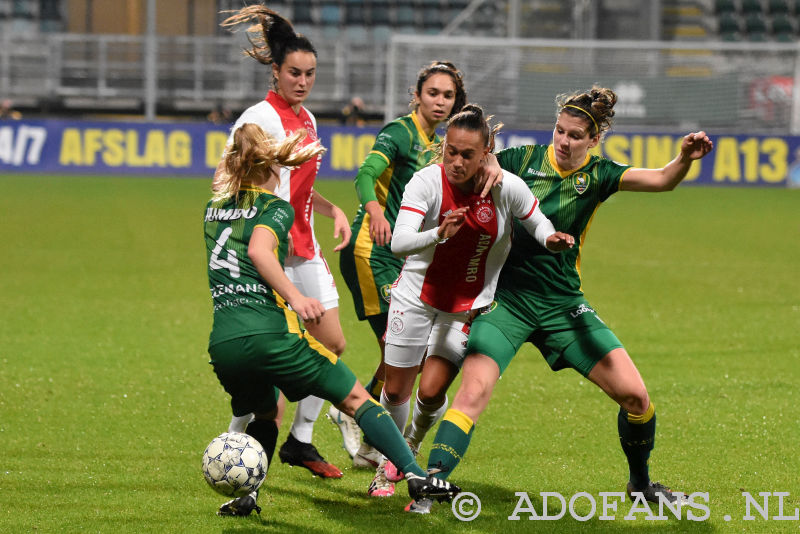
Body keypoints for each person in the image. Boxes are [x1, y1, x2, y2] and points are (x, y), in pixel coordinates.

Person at [420, 86, 714, 512]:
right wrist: (492, 164)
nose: (563, 140)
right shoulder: (524, 159)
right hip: (508, 300)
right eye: (559, 130)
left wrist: (685, 158)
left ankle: (641, 484)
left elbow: (662, 180)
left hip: (563, 305)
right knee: (474, 392)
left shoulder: (600, 175)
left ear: (593, 140)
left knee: (637, 398)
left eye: (575, 135)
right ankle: (433, 484)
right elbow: (480, 161)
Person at [204, 122, 462, 516]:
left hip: (223, 342)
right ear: (272, 166)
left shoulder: (213, 209)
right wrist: (296, 297)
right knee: (356, 397)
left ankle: (247, 495)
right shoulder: (275, 207)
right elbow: (259, 250)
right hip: (270, 333)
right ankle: (413, 474)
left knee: (266, 413)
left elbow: (228, 188)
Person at [368, 104, 574, 499]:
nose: (456, 162)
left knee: (430, 393)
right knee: (396, 392)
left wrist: (550, 239)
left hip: (463, 305)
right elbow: (398, 243)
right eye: (451, 152)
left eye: (467, 155)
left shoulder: (505, 186)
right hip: (415, 296)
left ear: (486, 153)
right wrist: (438, 234)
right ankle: (385, 465)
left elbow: (536, 219)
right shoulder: (426, 183)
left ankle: (408, 447)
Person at [216, 5, 358, 480]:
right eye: (294, 73)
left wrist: (331, 208)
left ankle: (299, 441)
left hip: (304, 248)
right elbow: (231, 181)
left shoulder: (308, 119)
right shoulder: (257, 120)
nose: (303, 81)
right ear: (275, 71)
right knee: (270, 367)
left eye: (310, 74)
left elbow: (296, 187)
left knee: (332, 343)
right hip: (267, 249)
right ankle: (234, 448)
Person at [338, 61, 469, 469]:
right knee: (396, 352)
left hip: (400, 257)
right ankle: (362, 426)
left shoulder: (440, 142)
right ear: (416, 94)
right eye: (433, 93)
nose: (440, 101)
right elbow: (365, 174)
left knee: (401, 355)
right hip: (370, 250)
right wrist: (374, 210)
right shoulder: (399, 132)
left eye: (448, 95)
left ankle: (356, 418)